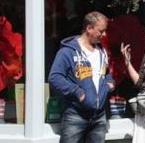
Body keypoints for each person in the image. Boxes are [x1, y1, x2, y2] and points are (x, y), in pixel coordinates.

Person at [49, 11, 115, 143]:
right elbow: (55, 77)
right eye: (101, 31)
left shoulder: (102, 51)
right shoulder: (67, 52)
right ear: (89, 28)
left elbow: (106, 73)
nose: (104, 34)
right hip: (75, 116)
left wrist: (109, 84)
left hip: (99, 116)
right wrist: (78, 92)